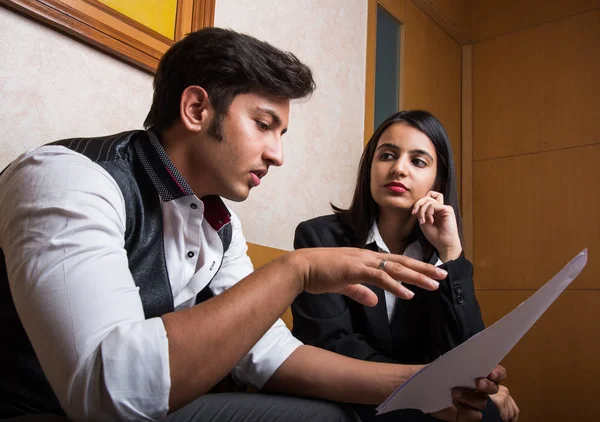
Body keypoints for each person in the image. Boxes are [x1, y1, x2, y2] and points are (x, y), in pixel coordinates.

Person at [0, 29, 505, 422]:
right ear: (197, 108)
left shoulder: (219, 225)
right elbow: (106, 395)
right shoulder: (68, 177)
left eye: (281, 132)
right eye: (264, 125)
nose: (278, 154)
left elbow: (267, 354)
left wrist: (424, 383)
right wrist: (295, 271)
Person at [291, 110, 520, 422]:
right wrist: (427, 389)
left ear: (438, 180)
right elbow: (331, 344)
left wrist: (451, 252)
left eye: (418, 161)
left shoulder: (438, 252)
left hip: (424, 396)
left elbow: (470, 353)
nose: (398, 169)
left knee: (486, 411)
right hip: (349, 394)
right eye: (387, 155)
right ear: (370, 167)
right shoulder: (319, 236)